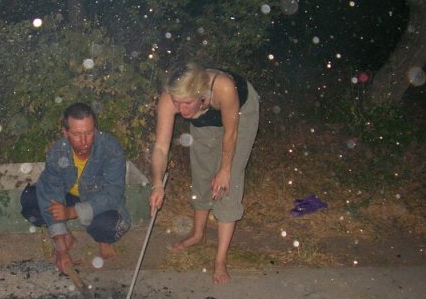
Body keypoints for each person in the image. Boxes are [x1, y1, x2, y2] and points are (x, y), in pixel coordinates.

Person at [149, 62, 259, 284]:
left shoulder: (224, 87)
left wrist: (225, 169)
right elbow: (160, 147)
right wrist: (157, 183)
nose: (181, 111)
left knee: (228, 182)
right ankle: (198, 235)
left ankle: (220, 260)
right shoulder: (170, 98)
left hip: (241, 111)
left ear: (200, 94)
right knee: (202, 170)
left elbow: (230, 134)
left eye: (187, 103)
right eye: (177, 103)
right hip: (206, 116)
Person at [20, 103, 131, 273]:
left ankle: (103, 240)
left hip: (98, 200)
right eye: (77, 134)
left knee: (107, 226)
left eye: (89, 133)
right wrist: (61, 250)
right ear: (65, 133)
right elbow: (51, 195)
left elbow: (113, 193)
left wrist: (73, 212)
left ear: (95, 129)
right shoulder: (57, 152)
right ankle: (66, 236)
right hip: (68, 196)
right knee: (30, 199)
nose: (84, 141)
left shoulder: (110, 149)